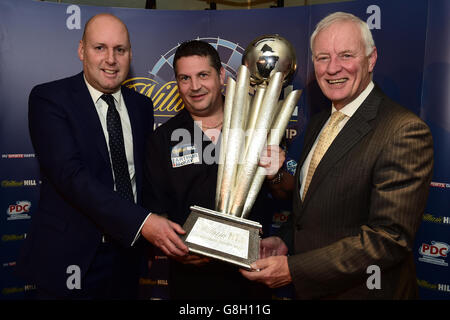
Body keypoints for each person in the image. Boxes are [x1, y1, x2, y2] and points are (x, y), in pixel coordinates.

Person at [240, 12, 434, 299]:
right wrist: (286, 243)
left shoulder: (403, 131)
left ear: (371, 59)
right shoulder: (320, 121)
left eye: (346, 55)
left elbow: (388, 240)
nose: (332, 68)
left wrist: (295, 268)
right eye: (322, 57)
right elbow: (312, 212)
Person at [16, 13, 188, 300]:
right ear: (82, 50)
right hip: (69, 257)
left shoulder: (141, 106)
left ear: (130, 55)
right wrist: (143, 223)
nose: (111, 59)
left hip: (127, 254)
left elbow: (140, 178)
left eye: (120, 50)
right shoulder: (49, 98)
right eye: (100, 48)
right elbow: (70, 176)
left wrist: (146, 231)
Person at [144, 40, 285, 300]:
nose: (194, 86)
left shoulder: (257, 125)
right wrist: (175, 248)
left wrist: (276, 173)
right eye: (184, 78)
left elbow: (285, 193)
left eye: (203, 75)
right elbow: (156, 213)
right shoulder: (162, 139)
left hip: (253, 277)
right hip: (191, 283)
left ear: (221, 75)